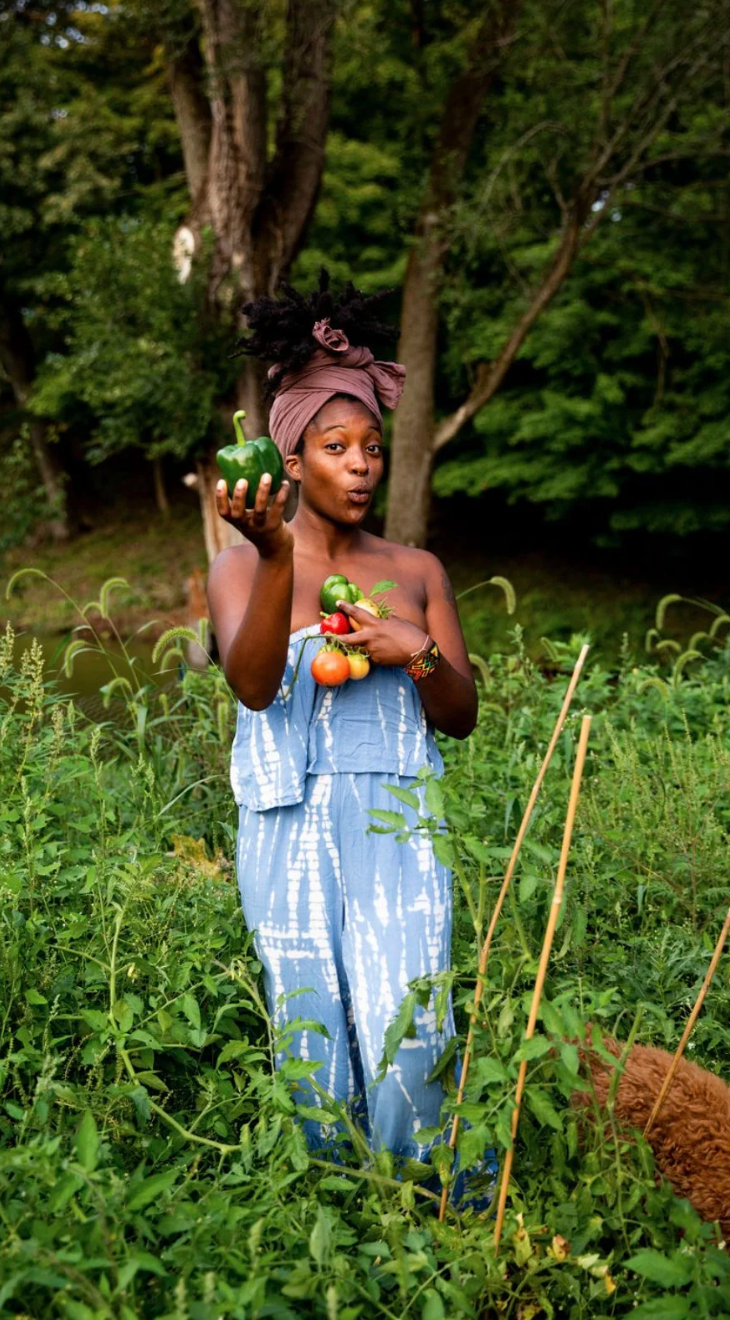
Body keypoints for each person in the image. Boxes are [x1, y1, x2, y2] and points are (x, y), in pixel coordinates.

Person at [207, 274, 479, 1187]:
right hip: (283, 831)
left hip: (399, 830)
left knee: (412, 1016)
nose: (361, 464)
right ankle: (335, 1213)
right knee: (309, 1017)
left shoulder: (416, 569)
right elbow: (251, 687)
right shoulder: (244, 569)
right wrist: (279, 555)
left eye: (371, 447)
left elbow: (462, 715)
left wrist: (416, 651)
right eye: (336, 447)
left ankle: (425, 1201)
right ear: (292, 462)